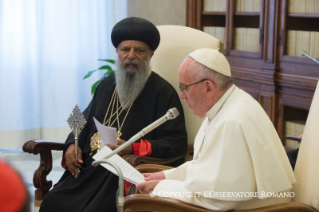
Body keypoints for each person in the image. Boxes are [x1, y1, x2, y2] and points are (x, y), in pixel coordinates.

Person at [40, 17, 187, 212]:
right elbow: (82, 120)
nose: (131, 56)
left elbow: (177, 142)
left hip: (122, 175)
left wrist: (132, 148)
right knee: (53, 202)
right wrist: (71, 144)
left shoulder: (163, 93)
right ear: (117, 52)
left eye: (139, 50)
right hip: (90, 169)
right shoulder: (106, 84)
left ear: (151, 54)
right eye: (125, 49)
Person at [136, 48, 296, 211]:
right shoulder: (226, 106)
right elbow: (205, 168)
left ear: (208, 88)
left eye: (184, 87)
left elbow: (216, 200)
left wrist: (160, 188)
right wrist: (166, 176)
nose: (182, 95)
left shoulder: (232, 121)